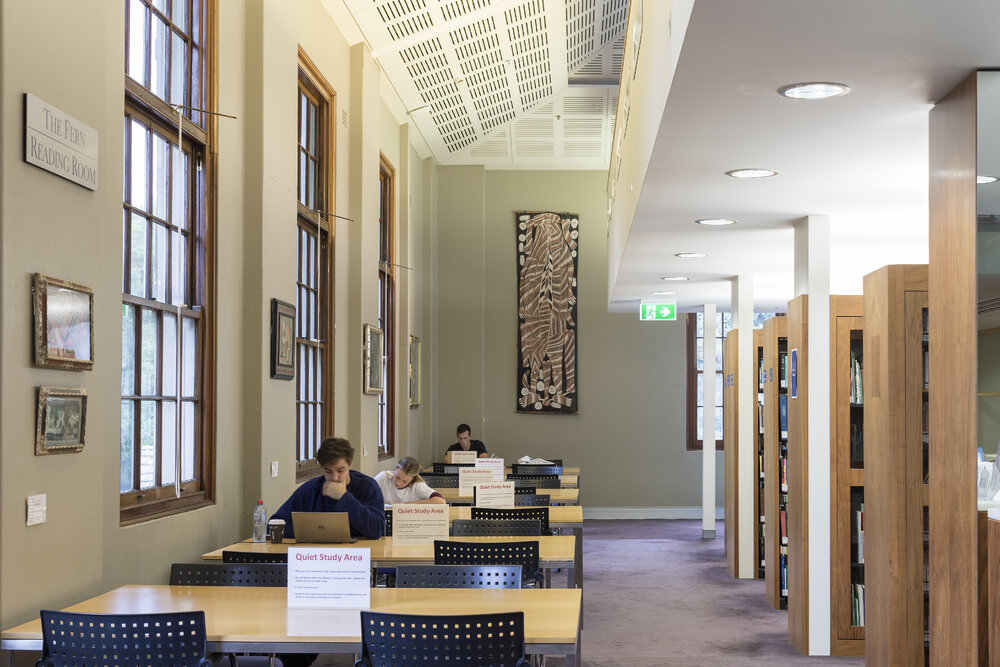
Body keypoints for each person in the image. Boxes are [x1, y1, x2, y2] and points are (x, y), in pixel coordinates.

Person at [271, 436, 385, 540]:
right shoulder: (311, 489)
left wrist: (344, 498)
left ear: (350, 464)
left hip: (356, 555)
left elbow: (376, 530)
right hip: (316, 555)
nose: (334, 478)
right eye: (328, 471)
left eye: (340, 470)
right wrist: (310, 530)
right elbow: (274, 525)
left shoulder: (367, 487)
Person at [374, 457, 446, 506]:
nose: (398, 483)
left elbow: (441, 501)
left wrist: (406, 505)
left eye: (404, 481)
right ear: (395, 469)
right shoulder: (384, 477)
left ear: (412, 479)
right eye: (397, 477)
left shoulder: (417, 485)